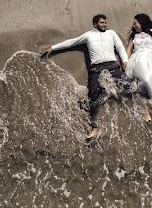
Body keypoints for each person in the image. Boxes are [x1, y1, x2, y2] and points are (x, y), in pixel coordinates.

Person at [40, 14, 128, 142]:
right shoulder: (88, 36)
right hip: (96, 69)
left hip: (113, 66)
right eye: (102, 23)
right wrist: (52, 48)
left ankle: (144, 107)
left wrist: (124, 61)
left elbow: (120, 47)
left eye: (105, 22)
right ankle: (95, 128)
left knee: (129, 84)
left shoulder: (111, 33)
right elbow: (71, 42)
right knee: (94, 97)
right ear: (95, 24)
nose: (105, 25)